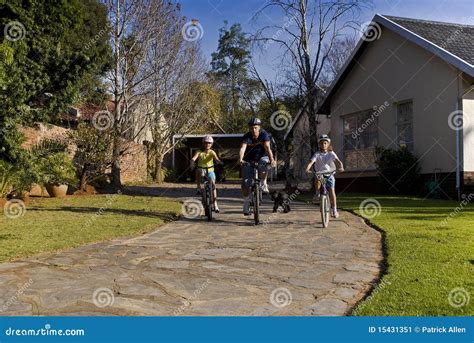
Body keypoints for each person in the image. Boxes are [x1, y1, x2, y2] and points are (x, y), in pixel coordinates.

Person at [239, 117, 276, 216]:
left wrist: (272, 160)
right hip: (248, 159)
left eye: (255, 127)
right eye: (251, 128)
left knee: (264, 164)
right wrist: (241, 159)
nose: (253, 130)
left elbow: (267, 148)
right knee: (246, 182)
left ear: (259, 127)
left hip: (262, 157)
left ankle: (263, 182)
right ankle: (246, 202)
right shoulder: (246, 136)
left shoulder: (264, 134)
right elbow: (242, 148)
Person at [305, 134, 344, 218]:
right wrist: (307, 169)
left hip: (330, 174)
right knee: (318, 177)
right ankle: (317, 193)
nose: (324, 145)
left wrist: (341, 167)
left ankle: (334, 209)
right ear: (319, 144)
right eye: (322, 143)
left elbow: (339, 161)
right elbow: (311, 162)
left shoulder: (331, 153)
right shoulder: (317, 154)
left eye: (325, 143)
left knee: (331, 191)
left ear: (328, 144)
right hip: (321, 174)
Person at [191, 135, 223, 213]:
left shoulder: (212, 152)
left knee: (213, 186)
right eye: (206, 143)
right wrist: (192, 162)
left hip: (210, 171)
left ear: (211, 144)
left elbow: (216, 159)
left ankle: (215, 204)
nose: (207, 144)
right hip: (201, 170)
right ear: (203, 143)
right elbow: (194, 158)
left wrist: (219, 162)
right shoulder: (199, 152)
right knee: (198, 170)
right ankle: (198, 187)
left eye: (209, 143)